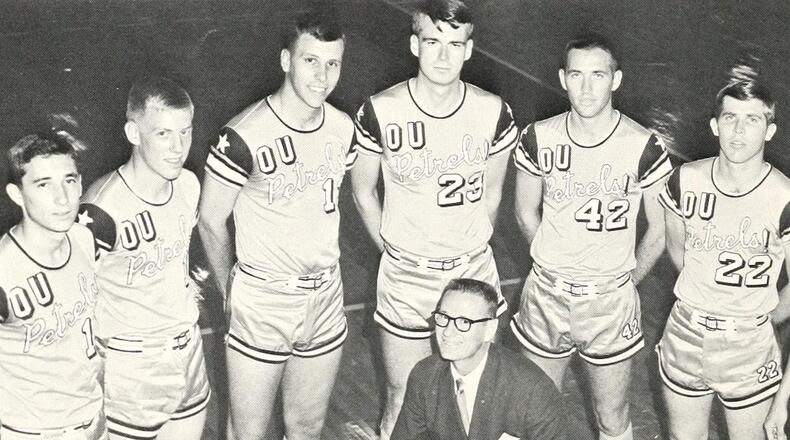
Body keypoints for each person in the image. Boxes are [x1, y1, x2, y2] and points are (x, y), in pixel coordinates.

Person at [351, 1, 517, 436]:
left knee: (474, 399)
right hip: (406, 277)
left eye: (454, 44)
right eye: (432, 42)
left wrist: (465, 243)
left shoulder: (494, 112)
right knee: (402, 397)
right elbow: (363, 192)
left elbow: (494, 192)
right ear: (414, 44)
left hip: (471, 272)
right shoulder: (380, 110)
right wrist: (392, 249)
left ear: (468, 49)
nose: (443, 56)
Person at [197, 7, 354, 440]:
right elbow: (210, 219)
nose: (322, 76)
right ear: (286, 60)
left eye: (332, 63)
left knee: (307, 426)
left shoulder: (343, 129)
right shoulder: (244, 134)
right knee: (248, 431)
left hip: (325, 293)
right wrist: (233, 291)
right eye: (310, 61)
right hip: (264, 297)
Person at [509, 33, 674, 440]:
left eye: (597, 75)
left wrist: (624, 283)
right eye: (577, 75)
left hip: (609, 302)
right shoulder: (538, 137)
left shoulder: (643, 146)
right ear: (563, 78)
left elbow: (661, 228)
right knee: (536, 414)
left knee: (612, 418)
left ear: (615, 80)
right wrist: (552, 261)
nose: (586, 87)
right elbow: (523, 211)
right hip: (547, 295)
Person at [657, 79, 790, 440]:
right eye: (730, 117)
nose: (739, 130)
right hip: (685, 331)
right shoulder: (684, 180)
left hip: (749, 344)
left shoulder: (783, 197)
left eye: (753, 120)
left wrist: (761, 317)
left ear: (770, 131)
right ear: (715, 125)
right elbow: (677, 250)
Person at [77, 76, 209, 440]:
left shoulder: (188, 185)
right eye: (163, 134)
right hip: (132, 367)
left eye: (185, 132)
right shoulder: (101, 209)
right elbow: (73, 293)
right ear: (134, 133)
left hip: (189, 351)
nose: (177, 148)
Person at [0, 132, 105, 439]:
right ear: (16, 194)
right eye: (43, 184)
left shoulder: (83, 239)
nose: (62, 198)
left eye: (69, 181)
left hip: (95, 424)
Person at [392, 278, 566, 440]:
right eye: (443, 318)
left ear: (489, 329)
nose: (448, 332)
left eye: (464, 322)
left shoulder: (532, 389)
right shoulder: (425, 376)